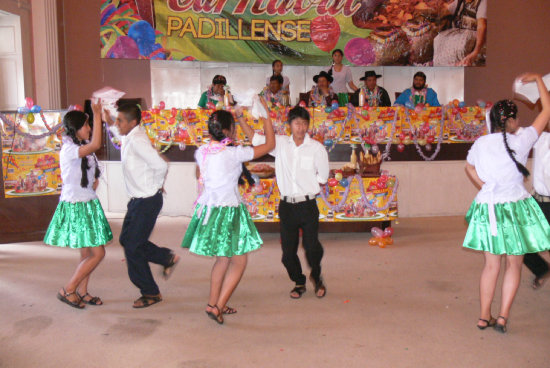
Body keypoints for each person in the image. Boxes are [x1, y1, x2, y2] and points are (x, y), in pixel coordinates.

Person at [463, 73, 550, 333]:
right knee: (514, 264)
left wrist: (486, 187)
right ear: (512, 120)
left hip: (489, 208)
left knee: (491, 266)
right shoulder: (523, 139)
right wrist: (537, 79)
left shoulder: (481, 143)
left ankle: (483, 316)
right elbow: (547, 109)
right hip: (516, 209)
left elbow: (469, 168)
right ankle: (502, 317)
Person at [181, 100, 275, 325]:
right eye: (233, 126)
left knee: (223, 259)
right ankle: (217, 306)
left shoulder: (202, 150)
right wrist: (266, 116)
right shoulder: (233, 154)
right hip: (228, 211)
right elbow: (269, 144)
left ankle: (213, 303)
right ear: (226, 131)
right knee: (239, 261)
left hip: (210, 210)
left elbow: (200, 171)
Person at [240, 105, 330, 299]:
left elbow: (323, 177)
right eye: (297, 123)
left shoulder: (317, 149)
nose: (301, 128)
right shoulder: (279, 144)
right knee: (287, 254)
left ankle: (317, 275)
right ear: (289, 125)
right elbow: (255, 139)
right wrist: (240, 118)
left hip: (308, 205)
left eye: (304, 123)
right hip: (287, 206)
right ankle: (299, 281)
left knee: (311, 246)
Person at [105, 104, 180, 308]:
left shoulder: (138, 140)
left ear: (133, 122)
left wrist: (156, 186)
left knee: (132, 246)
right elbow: (118, 134)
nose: (117, 123)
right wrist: (108, 121)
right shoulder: (129, 136)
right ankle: (166, 257)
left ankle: (150, 292)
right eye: (117, 120)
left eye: (120, 120)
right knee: (127, 240)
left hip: (147, 200)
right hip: (138, 200)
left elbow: (161, 165)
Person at [44, 100, 113, 309]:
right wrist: (97, 114)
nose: (90, 128)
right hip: (78, 205)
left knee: (86, 254)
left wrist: (94, 179)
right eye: (86, 125)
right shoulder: (69, 149)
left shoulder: (80, 148)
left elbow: (90, 168)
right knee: (98, 253)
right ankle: (68, 289)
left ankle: (82, 292)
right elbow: (96, 145)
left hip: (86, 202)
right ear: (75, 129)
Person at [523, 124, 550, 289]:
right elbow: (516, 135)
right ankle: (541, 269)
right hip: (537, 202)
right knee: (523, 242)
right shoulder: (542, 138)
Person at [434, 0, 487, 66]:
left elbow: (482, 27)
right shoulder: (460, 2)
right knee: (439, 39)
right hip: (458, 34)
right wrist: (439, 7)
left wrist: (476, 51)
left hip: (472, 37)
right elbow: (446, 11)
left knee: (463, 42)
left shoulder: (482, 2)